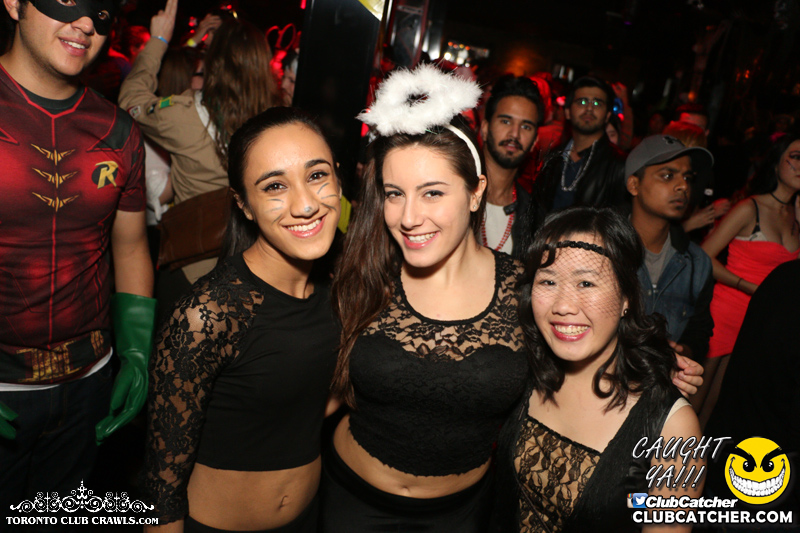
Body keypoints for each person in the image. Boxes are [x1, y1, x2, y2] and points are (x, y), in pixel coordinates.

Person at [323, 64, 529, 531]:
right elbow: (323, 393)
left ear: (475, 193)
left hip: (459, 517)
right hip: (348, 502)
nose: (409, 217)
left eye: (432, 193)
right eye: (394, 194)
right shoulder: (367, 275)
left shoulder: (526, 290)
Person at [144, 107, 341, 533]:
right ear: (244, 205)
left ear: (338, 179)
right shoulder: (208, 314)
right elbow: (162, 485)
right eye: (275, 186)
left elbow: (308, 401)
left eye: (317, 175)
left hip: (309, 518)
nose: (306, 204)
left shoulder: (343, 288)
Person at [0, 0, 155, 525]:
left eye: (103, 11)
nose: (87, 23)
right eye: (67, 0)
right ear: (14, 3)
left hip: (88, 385)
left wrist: (135, 351)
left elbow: (129, 246)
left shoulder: (117, 131)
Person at [492, 207, 703, 533]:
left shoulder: (674, 430)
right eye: (548, 281)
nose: (563, 305)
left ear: (626, 297)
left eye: (586, 283)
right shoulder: (522, 369)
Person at [119, 0, 278, 298]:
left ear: (214, 64)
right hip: (257, 270)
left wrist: (159, 39)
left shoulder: (185, 114)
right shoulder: (279, 122)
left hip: (191, 269)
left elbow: (130, 100)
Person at [694, 133, 800, 426]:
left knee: (716, 406)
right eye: (796, 157)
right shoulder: (750, 208)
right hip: (726, 311)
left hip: (758, 322)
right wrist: (747, 286)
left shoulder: (796, 215)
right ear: (777, 162)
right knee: (692, 401)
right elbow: (704, 255)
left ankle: (695, 457)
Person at [626, 135, 716, 361]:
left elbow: (699, 331)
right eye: (667, 176)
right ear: (634, 185)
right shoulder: (603, 248)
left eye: (688, 178)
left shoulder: (697, 263)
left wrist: (683, 353)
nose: (683, 186)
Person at [527, 76, 628, 230]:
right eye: (582, 102)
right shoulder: (554, 157)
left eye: (597, 103)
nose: (589, 108)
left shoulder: (619, 165)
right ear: (567, 112)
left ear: (607, 115)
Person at [479, 74, 544, 257]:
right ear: (485, 128)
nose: (514, 134)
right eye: (506, 121)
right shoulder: (452, 192)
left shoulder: (534, 216)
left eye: (526, 126)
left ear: (535, 141)